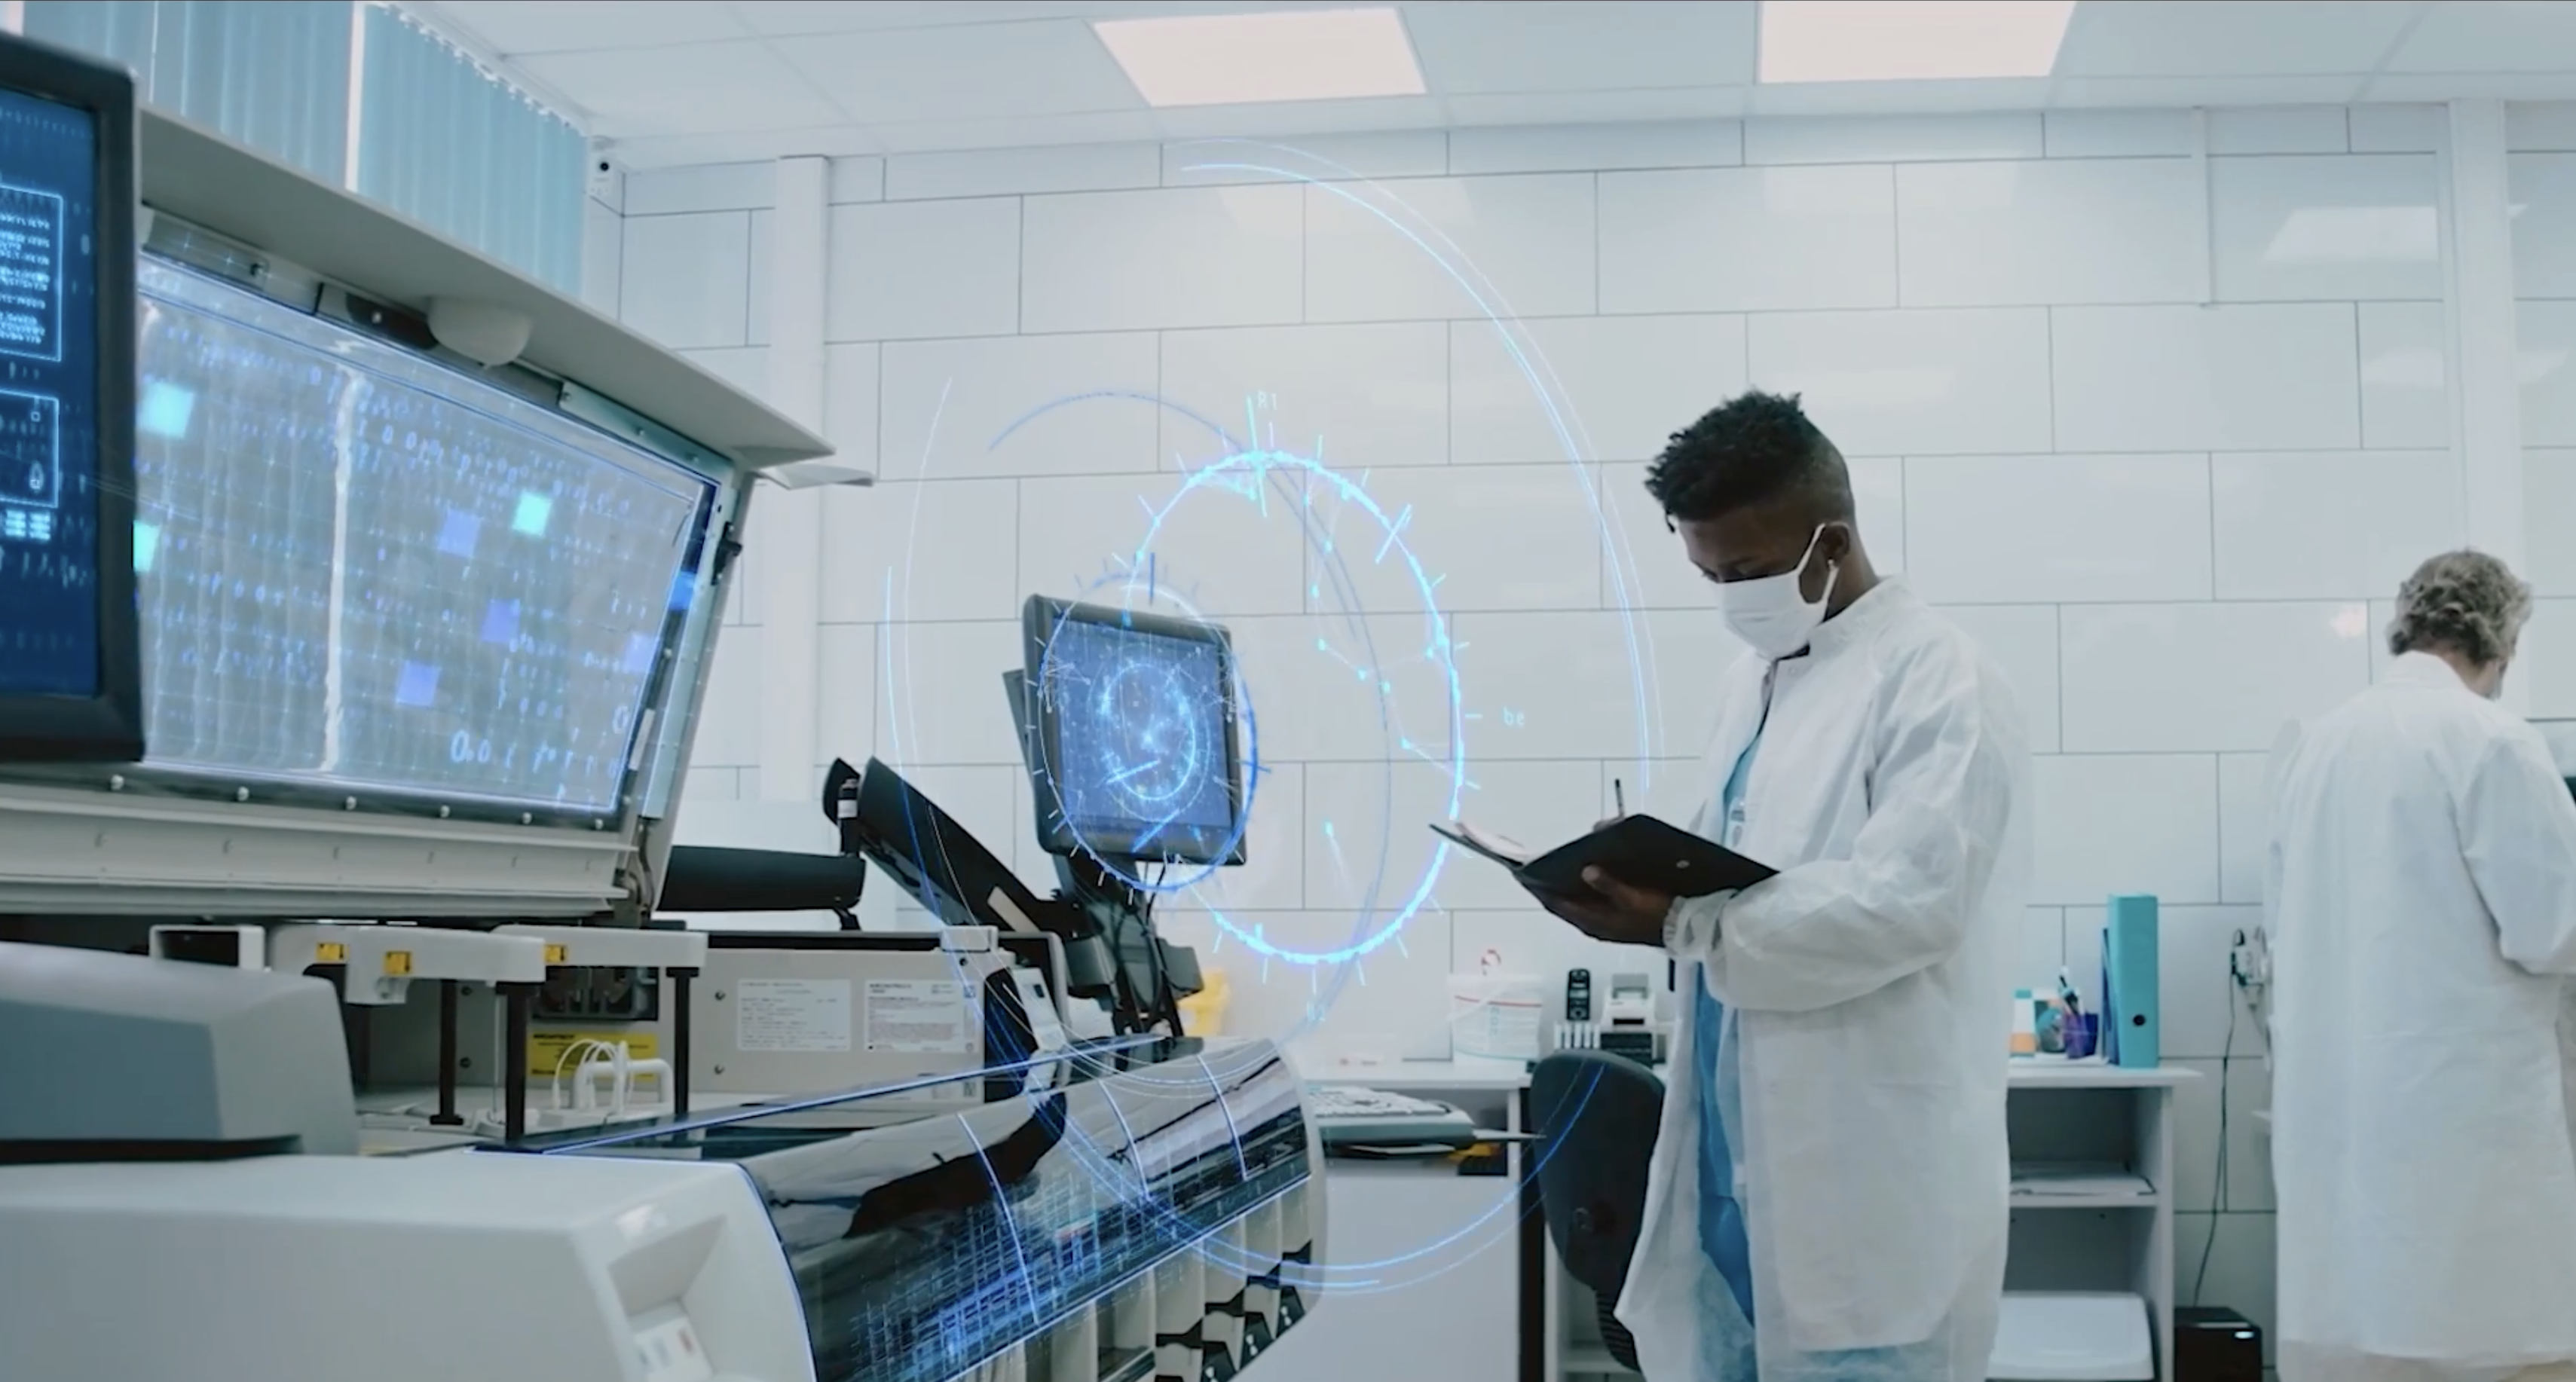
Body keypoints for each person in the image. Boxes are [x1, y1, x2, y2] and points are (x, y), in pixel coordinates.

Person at [1537, 390, 2030, 1380]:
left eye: (1751, 571)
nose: (1731, 596)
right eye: (1709, 574)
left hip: (1867, 1179)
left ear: (1831, 541)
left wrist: (1682, 923)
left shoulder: (1938, 679)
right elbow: (1735, 875)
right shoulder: (1755, 681)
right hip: (1735, 1164)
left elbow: (1906, 902)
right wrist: (1636, 872)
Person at [2266, 550, 2576, 1382]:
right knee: (2472, 1344)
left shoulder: (2317, 746)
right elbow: (2554, 930)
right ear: (2501, 640)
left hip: (2340, 1128)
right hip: (2461, 1147)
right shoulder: (2493, 740)